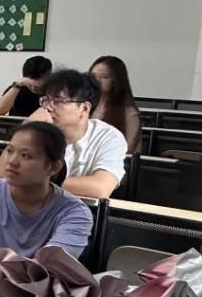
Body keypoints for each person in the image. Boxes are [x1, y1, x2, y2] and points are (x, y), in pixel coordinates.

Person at [0, 122, 93, 295]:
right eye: (9, 150)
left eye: (25, 155)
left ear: (53, 167)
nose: (12, 161)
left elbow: (48, 270)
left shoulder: (75, 213)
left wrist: (1, 281)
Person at [28, 69, 127, 199]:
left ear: (84, 109)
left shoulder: (108, 137)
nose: (47, 107)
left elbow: (100, 188)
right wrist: (25, 130)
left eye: (57, 100)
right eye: (45, 100)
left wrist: (38, 181)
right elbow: (7, 175)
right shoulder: (38, 130)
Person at [89, 55, 142, 153]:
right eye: (93, 76)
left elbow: (128, 149)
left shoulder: (129, 112)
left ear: (117, 80)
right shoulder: (86, 104)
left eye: (105, 77)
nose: (97, 81)